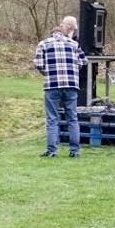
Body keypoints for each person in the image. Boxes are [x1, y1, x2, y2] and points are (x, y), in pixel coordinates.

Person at [34, 17, 87, 158]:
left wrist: (48, 72)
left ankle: (52, 151)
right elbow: (83, 61)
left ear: (52, 34)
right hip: (71, 85)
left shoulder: (43, 44)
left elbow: (38, 64)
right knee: (72, 118)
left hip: (52, 86)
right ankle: (74, 151)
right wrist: (73, 71)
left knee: (52, 118)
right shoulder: (74, 44)